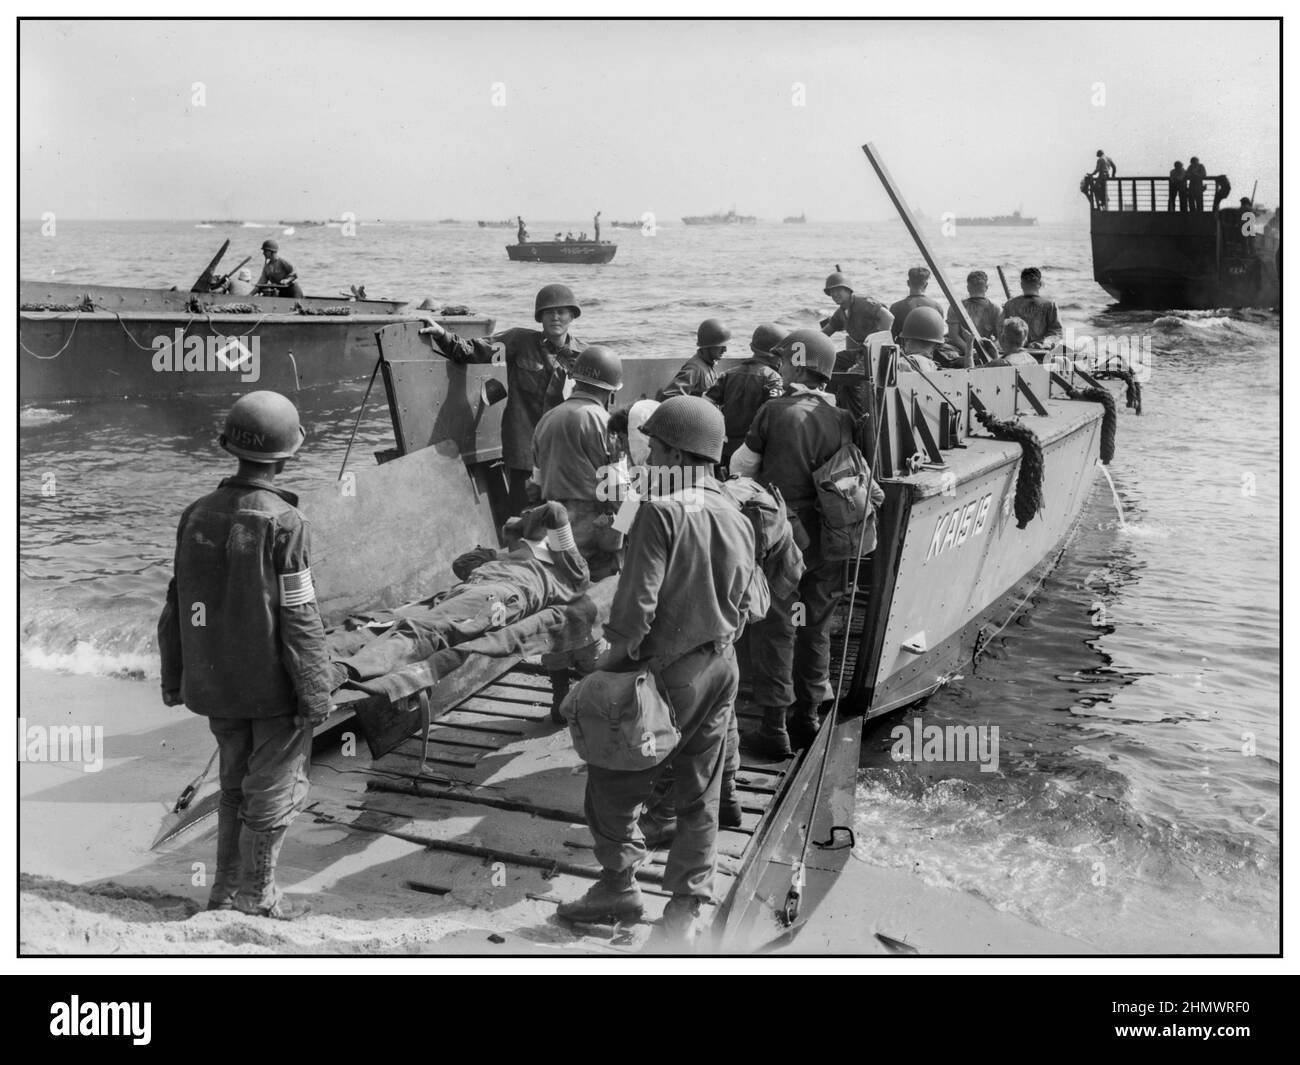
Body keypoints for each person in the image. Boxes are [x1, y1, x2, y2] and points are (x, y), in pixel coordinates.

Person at [556, 396, 758, 946]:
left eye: (654, 448)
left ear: (671, 450)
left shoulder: (661, 510)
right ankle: (684, 913)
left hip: (664, 675)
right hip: (721, 667)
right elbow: (750, 602)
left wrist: (601, 672)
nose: (648, 458)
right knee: (699, 791)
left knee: (612, 782)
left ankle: (618, 886)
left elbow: (634, 612)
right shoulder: (737, 512)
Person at [157, 391, 332, 920]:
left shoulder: (195, 515)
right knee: (276, 790)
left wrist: (174, 677)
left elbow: (174, 607)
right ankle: (258, 895)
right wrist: (316, 688)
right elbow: (300, 617)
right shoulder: (285, 523)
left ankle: (223, 893)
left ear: (228, 445)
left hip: (215, 687)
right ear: (288, 454)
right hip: (272, 690)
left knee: (233, 787)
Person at [730, 329, 882, 757]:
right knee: (815, 624)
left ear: (797, 364)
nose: (780, 365)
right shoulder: (843, 419)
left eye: (784, 360)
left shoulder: (774, 411)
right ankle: (810, 715)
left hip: (782, 536)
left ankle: (775, 726)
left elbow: (742, 466)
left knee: (778, 626)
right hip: (831, 536)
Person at [329, 502, 589, 682]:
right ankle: (323, 652)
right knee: (381, 619)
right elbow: (461, 565)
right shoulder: (509, 556)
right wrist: (498, 550)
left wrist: (521, 525)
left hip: (501, 596)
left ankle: (345, 671)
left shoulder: (568, 565)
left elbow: (554, 510)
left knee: (426, 630)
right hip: (470, 588)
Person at [420, 283, 587, 514]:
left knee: (561, 516)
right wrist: (443, 336)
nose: (555, 317)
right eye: (549, 312)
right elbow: (475, 351)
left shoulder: (586, 358)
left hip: (564, 454)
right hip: (524, 452)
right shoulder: (518, 342)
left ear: (573, 315)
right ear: (540, 317)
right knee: (521, 515)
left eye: (562, 312)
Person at [531, 345, 625, 582]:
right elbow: (619, 492)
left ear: (575, 381)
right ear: (611, 392)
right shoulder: (607, 423)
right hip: (593, 536)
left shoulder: (546, 420)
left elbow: (535, 484)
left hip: (555, 529)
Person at [704, 323, 786, 466]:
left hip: (724, 449)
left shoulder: (729, 373)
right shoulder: (773, 378)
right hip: (752, 452)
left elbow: (705, 402)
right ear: (776, 355)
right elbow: (775, 416)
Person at [820, 267, 893, 353]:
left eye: (838, 290)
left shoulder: (864, 303)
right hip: (861, 352)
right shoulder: (840, 313)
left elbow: (888, 317)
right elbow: (824, 334)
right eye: (832, 292)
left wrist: (879, 346)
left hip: (875, 353)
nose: (834, 294)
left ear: (848, 290)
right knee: (833, 360)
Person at [658, 318, 730, 400]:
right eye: (721, 346)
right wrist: (698, 401)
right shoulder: (694, 369)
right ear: (708, 346)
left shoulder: (707, 365)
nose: (725, 350)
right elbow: (669, 397)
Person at [946, 270, 1004, 357]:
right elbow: (1000, 338)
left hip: (972, 351)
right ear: (986, 287)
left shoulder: (954, 306)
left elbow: (953, 335)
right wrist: (973, 351)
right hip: (967, 350)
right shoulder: (996, 308)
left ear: (968, 288)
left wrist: (982, 351)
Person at [1002, 268, 1063, 350]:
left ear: (1021, 285)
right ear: (1040, 284)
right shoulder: (1050, 305)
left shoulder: (1009, 305)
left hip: (1015, 351)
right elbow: (1057, 333)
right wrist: (1041, 344)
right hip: (1041, 353)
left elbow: (1002, 332)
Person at [896, 306, 968, 372]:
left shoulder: (900, 363)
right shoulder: (933, 366)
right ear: (935, 345)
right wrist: (969, 349)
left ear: (906, 340)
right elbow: (969, 374)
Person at [889, 267, 946, 341]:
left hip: (904, 350)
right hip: (929, 350)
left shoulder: (896, 307)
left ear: (908, 283)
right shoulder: (936, 307)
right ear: (926, 285)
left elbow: (891, 336)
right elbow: (939, 336)